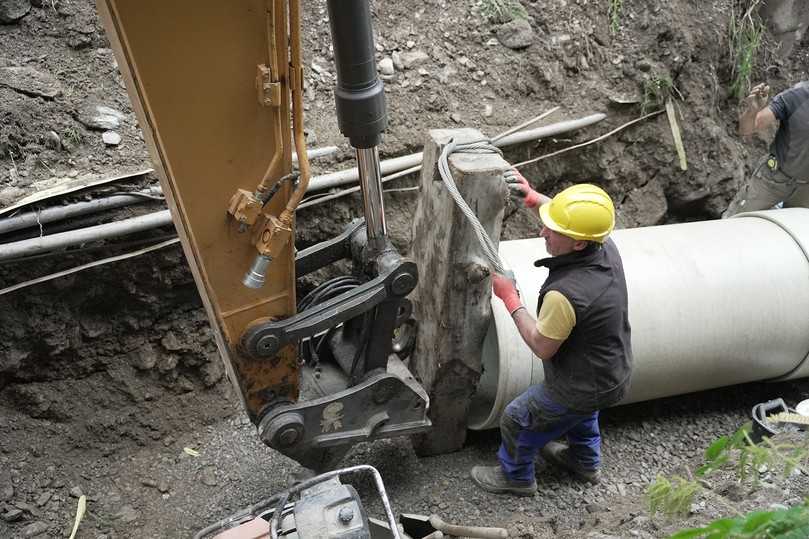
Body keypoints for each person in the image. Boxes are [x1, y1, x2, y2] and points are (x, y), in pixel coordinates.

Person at [470, 175, 633, 496]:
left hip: (578, 384)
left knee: (517, 419)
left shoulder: (566, 295)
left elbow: (542, 346)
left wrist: (510, 297)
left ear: (579, 243)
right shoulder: (605, 246)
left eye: (552, 230)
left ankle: (516, 478)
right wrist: (532, 198)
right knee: (583, 415)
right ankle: (585, 463)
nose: (542, 231)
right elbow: (566, 221)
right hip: (612, 374)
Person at [723, 81, 809, 217]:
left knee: (796, 234)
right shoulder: (796, 97)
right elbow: (746, 129)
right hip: (774, 179)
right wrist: (753, 110)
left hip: (805, 190)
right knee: (735, 221)